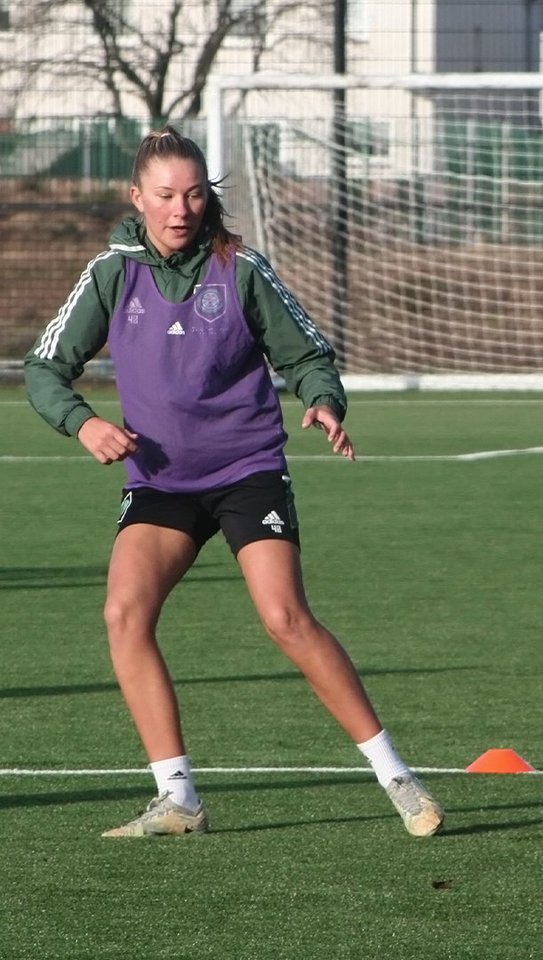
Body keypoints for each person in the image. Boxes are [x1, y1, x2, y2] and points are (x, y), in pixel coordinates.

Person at [23, 126, 444, 839]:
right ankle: (178, 796)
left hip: (247, 472)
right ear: (137, 198)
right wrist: (84, 423)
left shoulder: (240, 267)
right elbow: (43, 367)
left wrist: (323, 399)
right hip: (161, 483)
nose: (181, 207)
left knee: (285, 618)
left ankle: (397, 776)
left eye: (193, 193)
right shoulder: (111, 272)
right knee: (124, 616)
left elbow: (308, 353)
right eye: (165, 195)